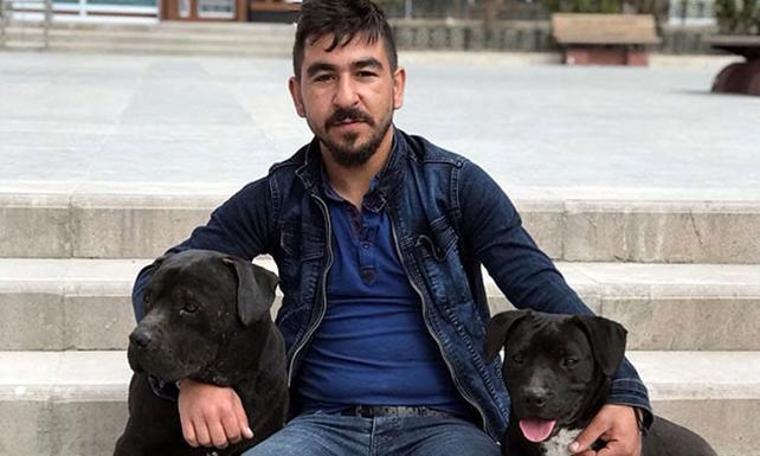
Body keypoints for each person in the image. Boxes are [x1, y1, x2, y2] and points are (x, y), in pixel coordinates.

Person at [131, 1, 652, 454]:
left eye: (365, 73)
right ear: (298, 95)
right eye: (324, 77)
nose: (346, 96)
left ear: (396, 86)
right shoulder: (277, 196)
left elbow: (543, 290)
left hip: (447, 429)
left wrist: (624, 394)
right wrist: (189, 378)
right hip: (318, 427)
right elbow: (156, 279)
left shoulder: (456, 186)